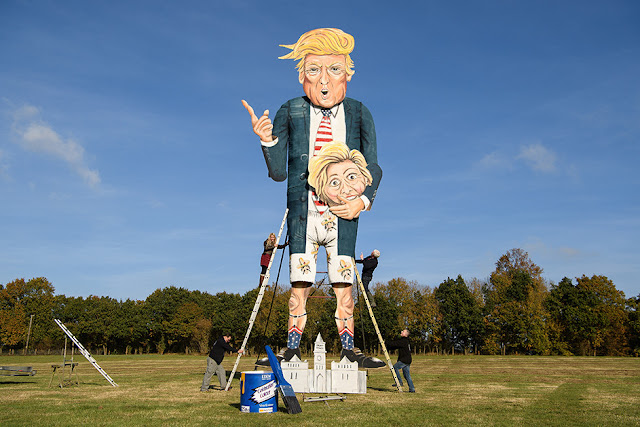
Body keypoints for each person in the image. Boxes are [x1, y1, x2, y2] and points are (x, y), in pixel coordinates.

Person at [242, 28, 384, 368]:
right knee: (299, 284)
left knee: (343, 283)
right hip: (303, 214)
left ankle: (349, 349)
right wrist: (267, 141)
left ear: (348, 73)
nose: (324, 80)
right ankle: (292, 347)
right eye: (313, 70)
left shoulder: (359, 113)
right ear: (301, 76)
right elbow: (279, 172)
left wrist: (362, 201)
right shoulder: (291, 110)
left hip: (342, 216)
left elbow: (374, 166)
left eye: (334, 69)